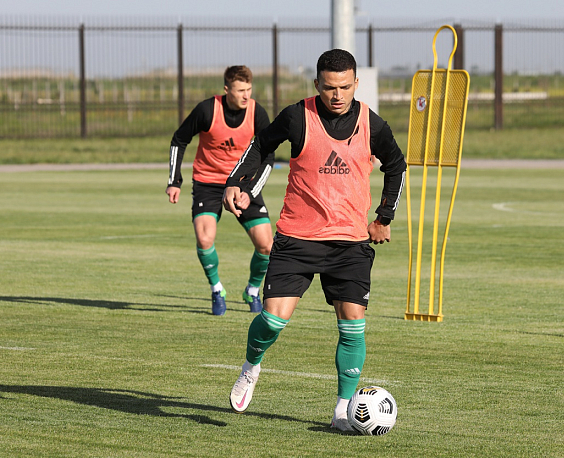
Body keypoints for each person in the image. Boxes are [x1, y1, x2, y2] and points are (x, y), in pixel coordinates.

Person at [222, 49, 406, 432]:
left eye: (345, 87)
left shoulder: (372, 124)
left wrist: (384, 217)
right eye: (329, 87)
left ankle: (342, 410)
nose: (337, 95)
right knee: (272, 321)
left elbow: (396, 165)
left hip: (350, 242)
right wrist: (236, 183)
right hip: (297, 238)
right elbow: (260, 146)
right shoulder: (296, 116)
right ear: (317, 84)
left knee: (352, 324)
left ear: (356, 84)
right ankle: (251, 367)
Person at [166, 65, 273, 316]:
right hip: (208, 183)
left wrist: (250, 190)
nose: (246, 95)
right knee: (204, 239)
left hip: (243, 184)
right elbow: (179, 140)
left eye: (249, 89)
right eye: (240, 90)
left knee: (267, 246)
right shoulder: (207, 110)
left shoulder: (257, 112)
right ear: (227, 90)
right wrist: (174, 181)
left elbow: (268, 156)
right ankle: (217, 289)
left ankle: (252, 290)